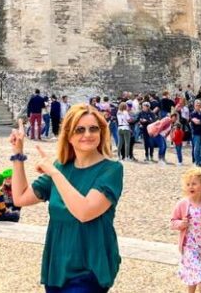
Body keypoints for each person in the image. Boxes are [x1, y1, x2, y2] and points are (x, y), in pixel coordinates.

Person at [10, 104, 123, 293]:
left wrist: (54, 173)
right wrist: (17, 153)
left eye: (93, 128)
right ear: (69, 135)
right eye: (80, 129)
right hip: (57, 266)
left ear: (102, 132)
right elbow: (20, 198)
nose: (88, 134)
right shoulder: (61, 167)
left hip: (89, 268)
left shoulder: (111, 170)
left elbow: (85, 212)